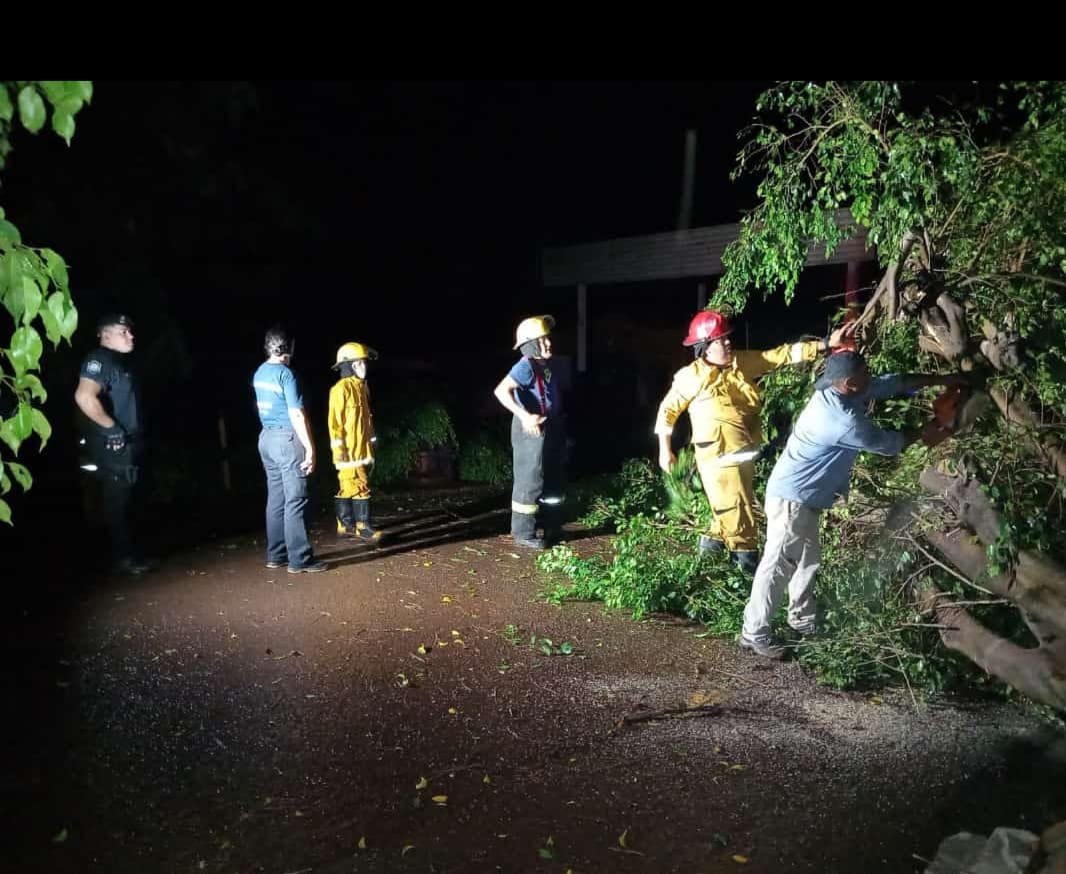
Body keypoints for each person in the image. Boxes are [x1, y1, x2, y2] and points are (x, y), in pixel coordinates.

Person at [738, 350, 965, 658]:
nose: (870, 376)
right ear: (848, 382)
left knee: (807, 561)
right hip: (792, 499)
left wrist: (941, 380)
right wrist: (928, 431)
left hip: (805, 498)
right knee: (778, 564)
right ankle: (754, 633)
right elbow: (889, 444)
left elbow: (893, 384)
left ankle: (802, 621)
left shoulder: (847, 389)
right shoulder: (838, 420)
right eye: (865, 373)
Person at [655, 310, 853, 572]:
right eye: (719, 340)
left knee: (724, 513)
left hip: (742, 454)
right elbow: (668, 410)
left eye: (727, 337)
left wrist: (826, 344)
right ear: (704, 348)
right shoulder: (691, 377)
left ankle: (706, 567)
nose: (727, 343)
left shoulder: (741, 362)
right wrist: (664, 450)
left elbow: (777, 356)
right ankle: (746, 573)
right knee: (740, 514)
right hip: (717, 458)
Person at [74, 313, 152, 575]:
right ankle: (122, 559)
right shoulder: (99, 359)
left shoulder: (121, 362)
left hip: (130, 441)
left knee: (130, 499)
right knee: (118, 500)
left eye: (130, 331)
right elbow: (84, 397)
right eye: (123, 331)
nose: (131, 335)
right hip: (114, 444)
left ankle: (130, 554)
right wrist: (112, 430)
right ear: (106, 335)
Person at [252, 326, 327, 574]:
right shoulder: (286, 374)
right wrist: (310, 447)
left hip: (266, 439)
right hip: (286, 439)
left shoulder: (259, 373)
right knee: (296, 498)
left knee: (276, 498)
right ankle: (300, 559)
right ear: (289, 348)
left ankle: (276, 555)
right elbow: (296, 412)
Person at [493, 315, 566, 550]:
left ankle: (552, 524)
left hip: (550, 426)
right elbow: (501, 391)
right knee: (530, 479)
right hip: (531, 429)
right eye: (542, 340)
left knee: (553, 476)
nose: (548, 344)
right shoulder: (525, 366)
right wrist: (526, 416)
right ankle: (523, 532)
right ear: (530, 344)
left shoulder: (546, 365)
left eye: (548, 339)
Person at [327, 342, 382, 542]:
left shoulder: (361, 389)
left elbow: (367, 420)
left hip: (361, 450)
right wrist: (339, 451)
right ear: (349, 366)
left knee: (350, 486)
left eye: (364, 363)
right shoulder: (340, 390)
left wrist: (372, 441)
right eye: (359, 364)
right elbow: (335, 424)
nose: (363, 367)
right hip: (348, 452)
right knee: (359, 485)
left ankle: (346, 524)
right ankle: (361, 526)